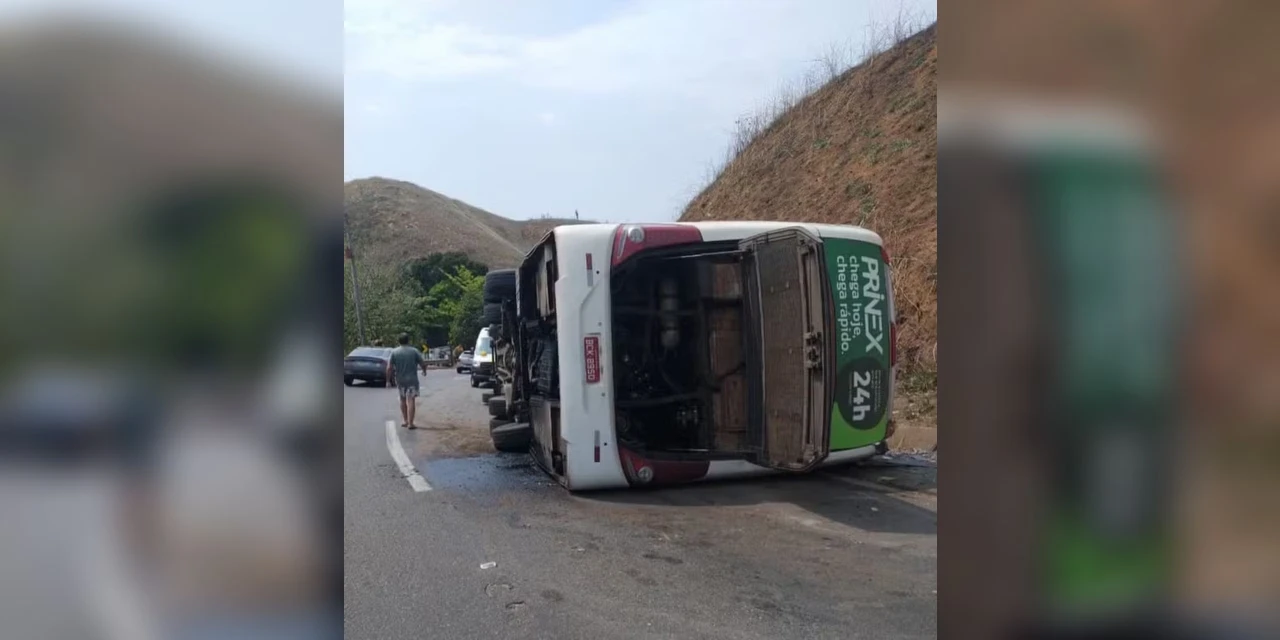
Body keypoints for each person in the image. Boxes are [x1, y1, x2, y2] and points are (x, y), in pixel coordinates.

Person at [387, 333, 427, 429]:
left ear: (399, 341)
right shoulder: (414, 351)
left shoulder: (394, 352)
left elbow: (389, 368)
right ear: (408, 341)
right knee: (411, 400)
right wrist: (424, 371)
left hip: (400, 380)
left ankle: (405, 420)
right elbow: (422, 363)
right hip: (412, 379)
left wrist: (388, 380)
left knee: (402, 399)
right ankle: (410, 423)